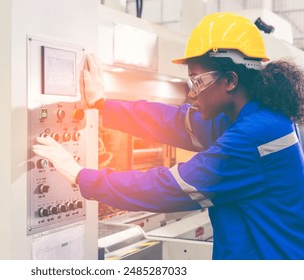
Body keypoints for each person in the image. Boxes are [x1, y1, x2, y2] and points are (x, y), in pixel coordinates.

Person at [33, 12, 304, 260]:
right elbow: (176, 122)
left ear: (230, 80)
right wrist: (103, 105)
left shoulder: (254, 135)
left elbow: (172, 187)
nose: (191, 93)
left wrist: (82, 176)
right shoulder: (256, 117)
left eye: (197, 80)